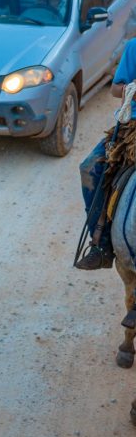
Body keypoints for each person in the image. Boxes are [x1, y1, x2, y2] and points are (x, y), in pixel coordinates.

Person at [76, 40, 136, 270]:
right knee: (90, 168)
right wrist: (131, 88)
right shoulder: (134, 47)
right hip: (132, 128)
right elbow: (115, 88)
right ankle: (101, 245)